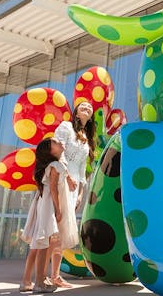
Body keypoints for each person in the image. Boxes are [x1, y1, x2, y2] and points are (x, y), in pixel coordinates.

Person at [49, 100, 96, 286]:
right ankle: (40, 276)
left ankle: (55, 276)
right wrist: (67, 176)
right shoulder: (66, 127)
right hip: (61, 180)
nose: (87, 107)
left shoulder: (86, 137)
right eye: (82, 105)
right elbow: (56, 152)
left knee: (63, 230)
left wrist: (80, 194)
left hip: (74, 186)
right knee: (53, 227)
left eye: (90, 107)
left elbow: (83, 168)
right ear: (76, 112)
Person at [20, 138, 64, 293]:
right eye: (56, 143)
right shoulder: (55, 165)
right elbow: (54, 188)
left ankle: (26, 281)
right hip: (47, 204)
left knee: (37, 244)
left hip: (40, 202)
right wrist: (58, 210)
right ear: (50, 151)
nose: (60, 143)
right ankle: (39, 283)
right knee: (44, 242)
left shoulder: (47, 166)